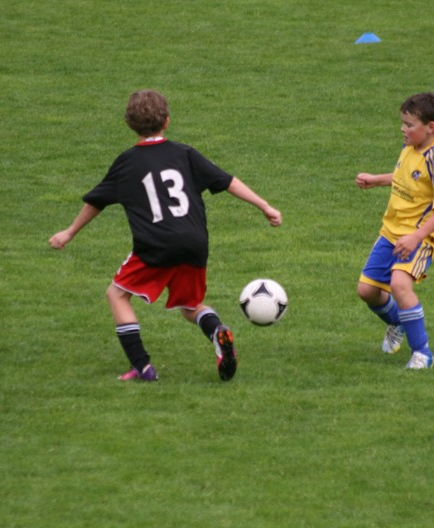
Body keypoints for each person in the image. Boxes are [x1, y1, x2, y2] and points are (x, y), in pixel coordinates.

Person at [49, 89, 282, 382]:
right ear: (167, 121)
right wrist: (264, 206)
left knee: (116, 295)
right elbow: (227, 181)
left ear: (129, 124)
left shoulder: (127, 163)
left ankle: (142, 367)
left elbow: (96, 202)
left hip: (155, 246)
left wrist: (69, 232)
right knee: (190, 306)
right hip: (194, 243)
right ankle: (217, 331)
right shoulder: (185, 153)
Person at [355, 93, 434, 369]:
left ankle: (422, 353)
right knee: (367, 290)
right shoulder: (411, 146)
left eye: (409, 124)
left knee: (400, 285)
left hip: (420, 236)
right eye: (402, 123)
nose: (403, 129)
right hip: (391, 231)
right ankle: (399, 322)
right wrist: (377, 180)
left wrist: (415, 237)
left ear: (431, 127)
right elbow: (405, 177)